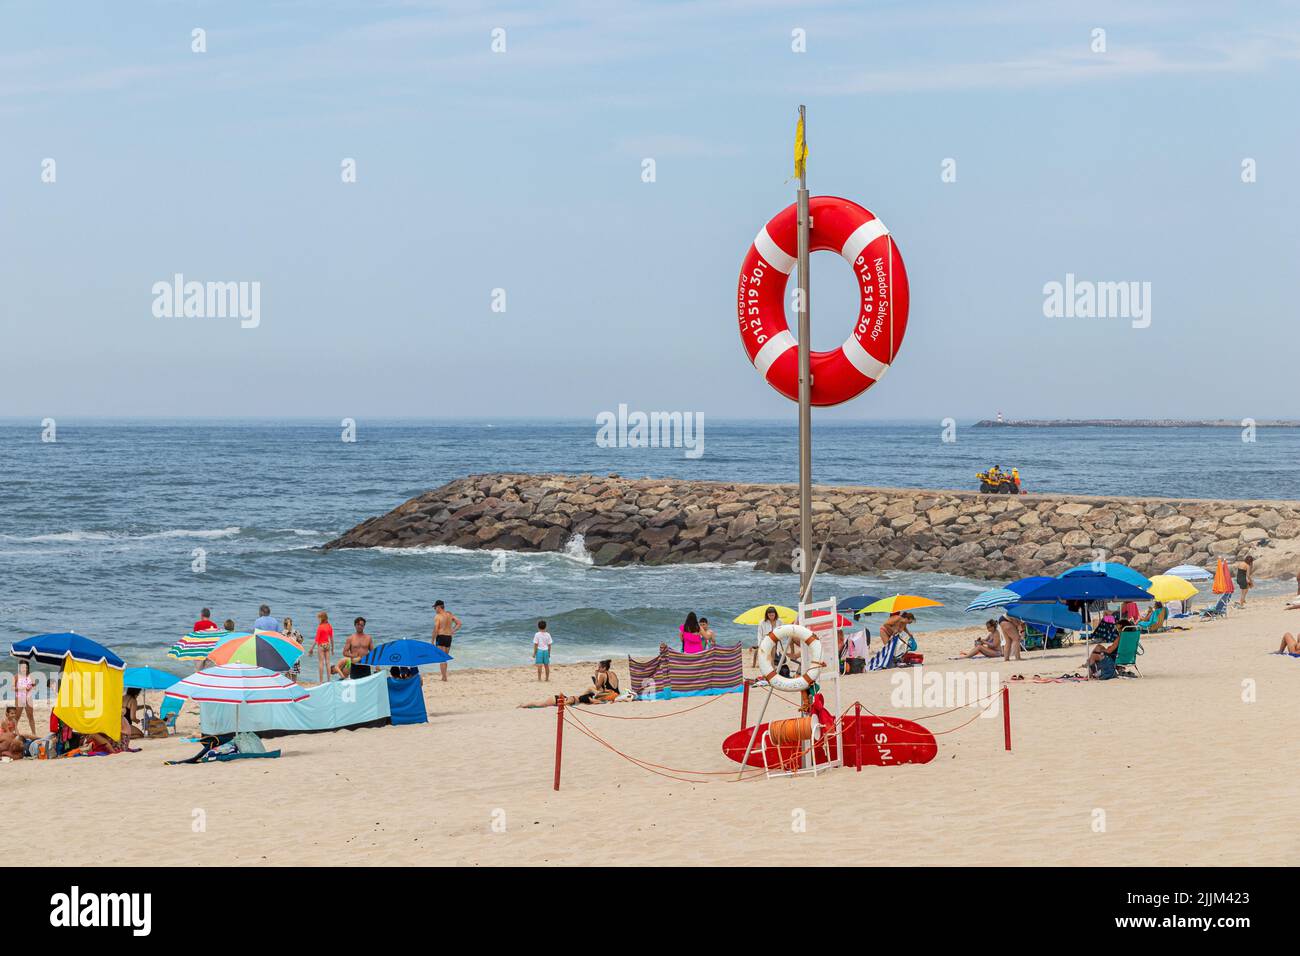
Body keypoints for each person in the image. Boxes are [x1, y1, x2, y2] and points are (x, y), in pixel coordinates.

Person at [517, 660, 620, 708]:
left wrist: (596, 674)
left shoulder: (602, 675)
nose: (598, 668)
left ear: (604, 668)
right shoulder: (613, 673)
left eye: (599, 667)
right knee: (539, 704)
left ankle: (523, 705)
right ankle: (524, 705)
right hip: (560, 698)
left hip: (560, 698)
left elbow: (597, 688)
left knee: (539, 704)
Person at [432, 600, 462, 682]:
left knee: (441, 658)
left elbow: (435, 629)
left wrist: (432, 641)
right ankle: (444, 676)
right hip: (448, 637)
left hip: (441, 637)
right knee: (444, 657)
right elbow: (459, 623)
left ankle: (444, 677)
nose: (435, 609)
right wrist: (453, 630)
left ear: (438, 607)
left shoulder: (438, 616)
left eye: (435, 608)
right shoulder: (450, 614)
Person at [311, 610, 334, 684]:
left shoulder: (320, 627)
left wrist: (311, 648)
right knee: (328, 663)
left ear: (322, 618)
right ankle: (329, 680)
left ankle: (321, 681)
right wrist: (333, 649)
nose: (318, 619)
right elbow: (331, 638)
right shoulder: (329, 626)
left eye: (319, 618)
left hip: (321, 645)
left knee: (321, 663)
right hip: (327, 645)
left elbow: (316, 640)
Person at [14, 660, 37, 736]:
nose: (25, 669)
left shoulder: (30, 676)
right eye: (23, 667)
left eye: (26, 667)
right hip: (19, 698)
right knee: (17, 716)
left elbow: (34, 685)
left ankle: (34, 733)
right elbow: (12, 688)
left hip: (28, 698)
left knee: (30, 716)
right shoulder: (17, 676)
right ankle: (16, 732)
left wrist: (32, 686)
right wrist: (23, 688)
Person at [281, 617, 304, 681]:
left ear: (284, 625)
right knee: (294, 674)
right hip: (295, 655)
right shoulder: (296, 632)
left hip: (286, 656)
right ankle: (294, 687)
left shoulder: (283, 633)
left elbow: (281, 645)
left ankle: (289, 687)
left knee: (287, 673)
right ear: (291, 624)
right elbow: (301, 640)